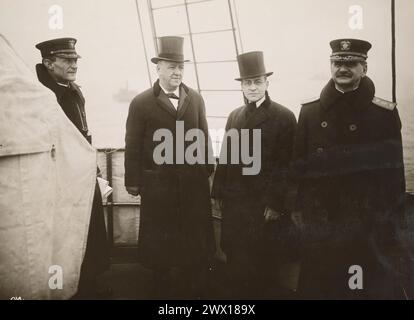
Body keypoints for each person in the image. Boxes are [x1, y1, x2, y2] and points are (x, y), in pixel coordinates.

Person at [292, 39, 407, 299]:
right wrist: (298, 208)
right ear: (331, 66)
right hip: (320, 222)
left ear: (364, 68)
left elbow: (394, 176)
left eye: (351, 63)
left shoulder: (384, 114)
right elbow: (298, 168)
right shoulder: (309, 113)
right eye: (337, 63)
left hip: (364, 225)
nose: (342, 68)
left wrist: (393, 223)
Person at [124, 36, 215, 299]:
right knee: (160, 239)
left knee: (192, 236)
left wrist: (206, 168)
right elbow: (132, 145)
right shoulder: (141, 103)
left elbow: (204, 135)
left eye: (180, 67)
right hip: (158, 185)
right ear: (158, 68)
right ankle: (161, 284)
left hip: (192, 184)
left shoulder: (195, 99)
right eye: (171, 66)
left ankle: (191, 284)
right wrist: (134, 181)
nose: (177, 72)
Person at [211, 51, 297, 299]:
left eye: (257, 82)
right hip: (236, 204)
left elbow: (287, 165)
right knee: (237, 257)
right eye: (247, 83)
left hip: (263, 206)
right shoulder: (235, 116)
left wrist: (276, 204)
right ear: (242, 86)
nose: (252, 88)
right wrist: (218, 191)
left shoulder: (284, 117)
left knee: (264, 261)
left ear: (267, 84)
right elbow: (226, 157)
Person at [35, 38, 110, 299]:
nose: (73, 64)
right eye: (67, 60)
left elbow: (83, 133)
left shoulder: (74, 90)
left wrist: (94, 170)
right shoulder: (40, 96)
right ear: (48, 62)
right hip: (59, 179)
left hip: (83, 174)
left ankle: (90, 280)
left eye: (75, 60)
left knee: (90, 229)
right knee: (64, 234)